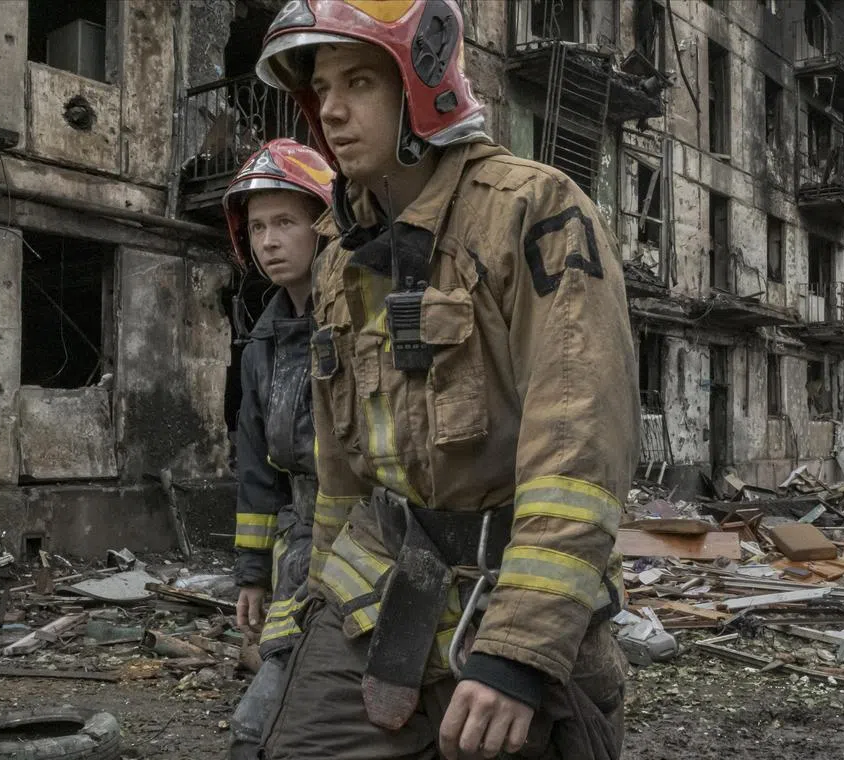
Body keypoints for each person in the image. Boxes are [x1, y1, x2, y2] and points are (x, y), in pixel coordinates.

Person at [255, 1, 640, 758]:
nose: (331, 110)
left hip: (506, 589)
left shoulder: (533, 212)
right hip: (377, 592)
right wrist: (306, 606)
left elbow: (580, 447)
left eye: (359, 81)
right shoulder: (339, 256)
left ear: (422, 84)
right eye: (322, 87)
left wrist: (518, 653)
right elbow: (339, 474)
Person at [221, 138, 334, 760]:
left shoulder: (362, 319)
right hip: (301, 545)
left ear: (324, 227)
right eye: (258, 227)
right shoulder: (262, 345)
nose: (269, 242)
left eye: (286, 222)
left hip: (376, 542)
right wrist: (252, 574)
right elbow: (258, 471)